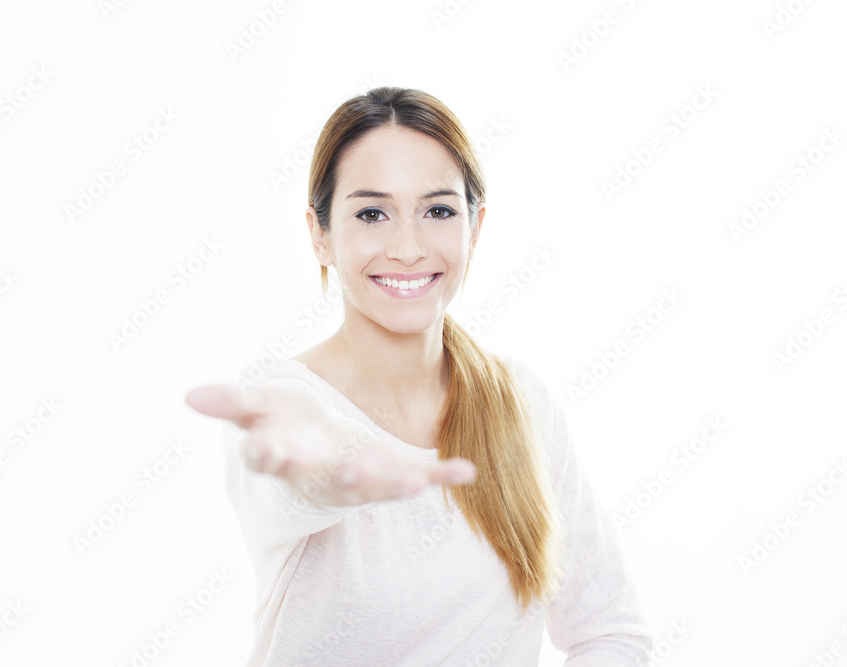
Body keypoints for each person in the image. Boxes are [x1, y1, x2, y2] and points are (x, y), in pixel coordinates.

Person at [186, 87, 653, 666]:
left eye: (437, 211)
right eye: (371, 214)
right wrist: (329, 469)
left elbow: (609, 635)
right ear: (319, 234)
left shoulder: (522, 402)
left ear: (475, 228)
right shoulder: (282, 406)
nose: (407, 249)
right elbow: (284, 478)